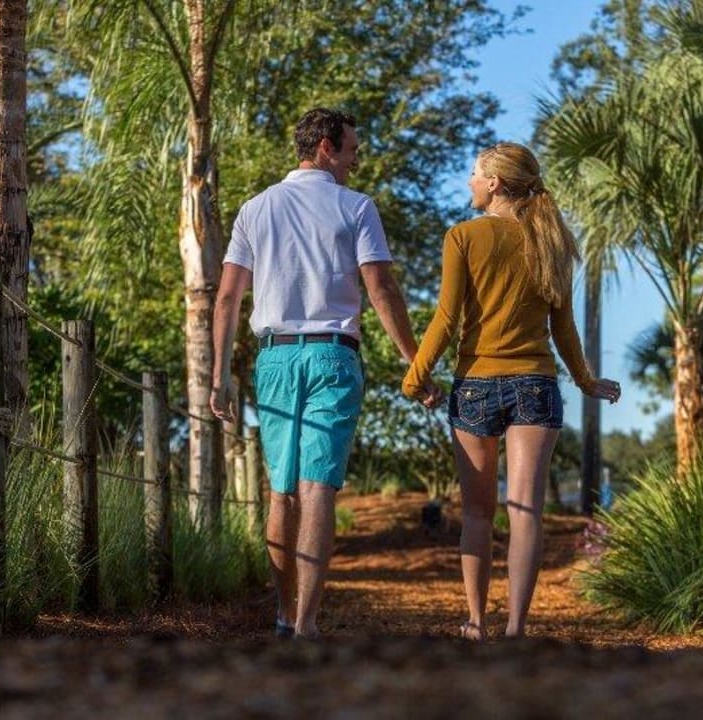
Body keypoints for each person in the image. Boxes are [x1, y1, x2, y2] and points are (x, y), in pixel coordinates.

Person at [212, 107, 432, 641]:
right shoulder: (356, 207)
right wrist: (414, 360)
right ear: (327, 148)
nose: (356, 161)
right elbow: (381, 288)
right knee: (317, 490)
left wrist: (219, 375)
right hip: (332, 357)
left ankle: (285, 615)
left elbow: (226, 299)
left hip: (275, 358)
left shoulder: (255, 209)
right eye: (351, 150)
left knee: (281, 493)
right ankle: (307, 625)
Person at [401, 141, 621, 640]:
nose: (470, 182)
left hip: (475, 387)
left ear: (495, 183)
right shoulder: (551, 242)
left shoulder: (463, 236)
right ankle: (516, 630)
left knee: (477, 513)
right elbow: (563, 327)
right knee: (525, 513)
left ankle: (476, 622)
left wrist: (416, 377)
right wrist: (585, 380)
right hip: (536, 386)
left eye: (475, 174)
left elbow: (447, 318)